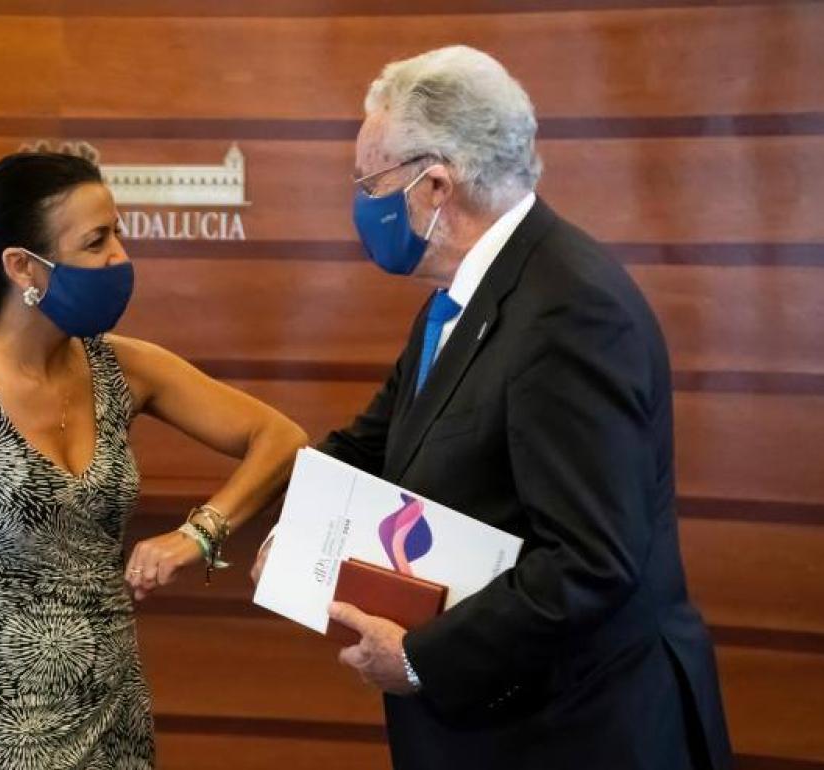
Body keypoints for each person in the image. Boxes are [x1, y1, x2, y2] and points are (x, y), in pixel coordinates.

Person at [252, 45, 732, 770]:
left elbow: (590, 562)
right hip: (501, 723)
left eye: (369, 181)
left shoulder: (571, 310)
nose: (362, 202)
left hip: (579, 731)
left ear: (436, 184)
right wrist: (290, 532)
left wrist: (418, 659)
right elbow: (376, 445)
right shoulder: (463, 295)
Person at [0, 151, 307, 770]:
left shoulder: (122, 365)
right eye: (96, 241)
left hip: (114, 712)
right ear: (22, 266)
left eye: (118, 232)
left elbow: (280, 439)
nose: (120, 256)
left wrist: (200, 532)